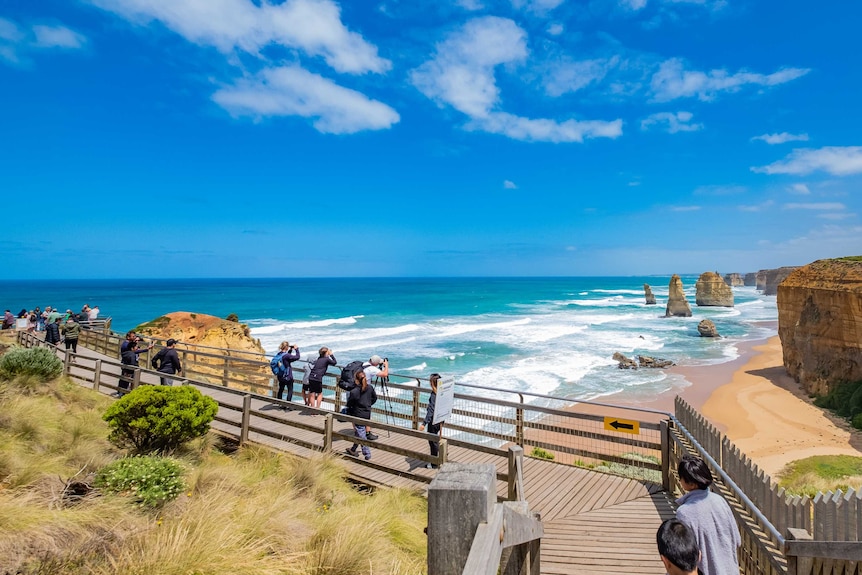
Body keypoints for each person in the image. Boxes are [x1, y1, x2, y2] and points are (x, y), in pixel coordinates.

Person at [675, 455, 741, 575]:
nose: (680, 480)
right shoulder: (720, 500)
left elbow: (685, 556)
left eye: (681, 478)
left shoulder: (684, 512)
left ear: (691, 483)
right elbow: (737, 541)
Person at [345, 369, 377, 461]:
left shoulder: (354, 391)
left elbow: (349, 404)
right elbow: (374, 398)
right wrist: (368, 405)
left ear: (356, 380)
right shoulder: (370, 387)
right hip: (367, 413)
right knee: (358, 432)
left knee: (361, 433)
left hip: (358, 414)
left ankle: (367, 454)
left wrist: (350, 412)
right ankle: (353, 449)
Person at [419, 373, 444, 469]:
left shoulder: (434, 394)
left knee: (432, 441)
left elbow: (431, 410)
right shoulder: (442, 392)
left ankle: (434, 462)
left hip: (434, 421)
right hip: (441, 419)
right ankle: (439, 457)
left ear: (433, 383)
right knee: (436, 439)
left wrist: (424, 423)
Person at [361, 355, 389, 440]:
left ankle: (359, 431)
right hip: (365, 391)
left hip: (357, 390)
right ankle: (367, 433)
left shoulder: (364, 364)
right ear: (376, 363)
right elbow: (385, 374)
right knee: (367, 410)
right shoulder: (372, 369)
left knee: (357, 410)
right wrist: (386, 365)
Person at [274, 341, 300, 407]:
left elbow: (287, 358)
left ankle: (279, 403)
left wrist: (290, 351)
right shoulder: (286, 356)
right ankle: (288, 405)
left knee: (281, 389)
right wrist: (296, 349)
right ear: (286, 347)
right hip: (287, 376)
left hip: (280, 375)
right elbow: (297, 357)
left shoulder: (279, 354)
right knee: (290, 390)